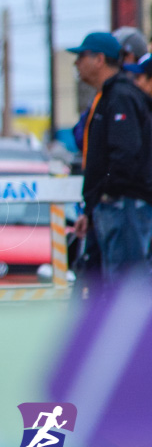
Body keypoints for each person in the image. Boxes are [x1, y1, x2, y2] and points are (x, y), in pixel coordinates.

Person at [69, 32, 152, 284]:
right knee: (116, 284)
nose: (76, 63)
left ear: (99, 59)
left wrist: (107, 193)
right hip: (113, 205)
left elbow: (124, 155)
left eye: (81, 56)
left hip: (124, 205)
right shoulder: (108, 97)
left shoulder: (121, 97)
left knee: (126, 287)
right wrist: (93, 205)